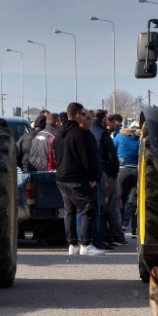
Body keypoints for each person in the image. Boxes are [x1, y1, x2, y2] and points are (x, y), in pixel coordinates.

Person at [54, 102, 106, 256]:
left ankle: (73, 244)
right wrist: (94, 177)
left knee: (69, 211)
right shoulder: (81, 134)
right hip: (77, 178)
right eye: (84, 114)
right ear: (77, 115)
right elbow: (89, 158)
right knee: (89, 208)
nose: (87, 118)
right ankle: (86, 244)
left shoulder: (59, 134)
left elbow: (56, 156)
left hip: (62, 178)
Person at [91, 110, 125, 247]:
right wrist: (114, 174)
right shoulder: (103, 135)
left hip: (93, 174)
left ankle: (103, 234)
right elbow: (112, 158)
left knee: (99, 206)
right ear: (103, 119)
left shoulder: (88, 132)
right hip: (106, 174)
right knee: (111, 205)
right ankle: (117, 235)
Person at [115, 121, 141, 234]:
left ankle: (119, 226)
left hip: (123, 170)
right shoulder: (141, 138)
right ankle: (135, 228)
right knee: (134, 200)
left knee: (120, 199)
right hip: (137, 171)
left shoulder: (120, 136)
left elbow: (113, 149)